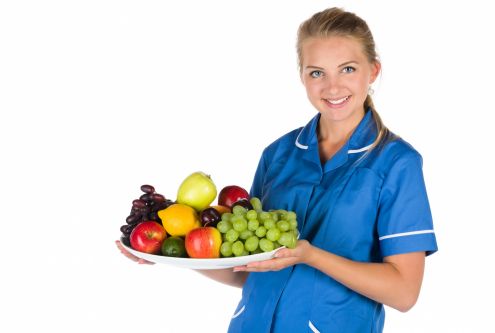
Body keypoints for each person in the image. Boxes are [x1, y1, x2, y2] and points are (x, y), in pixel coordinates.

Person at [117, 7, 438, 332]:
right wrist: (175, 254)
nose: (332, 86)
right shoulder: (278, 154)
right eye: (317, 73)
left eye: (348, 69)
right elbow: (249, 267)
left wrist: (311, 256)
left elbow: (404, 292)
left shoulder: (397, 163)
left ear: (373, 71)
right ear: (302, 76)